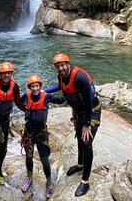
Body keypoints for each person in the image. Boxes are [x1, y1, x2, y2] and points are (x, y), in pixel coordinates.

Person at [46, 53, 101, 197]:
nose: (60, 68)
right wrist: (43, 91)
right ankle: (80, 165)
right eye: (58, 66)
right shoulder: (61, 77)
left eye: (62, 65)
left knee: (86, 143)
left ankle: (85, 181)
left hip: (91, 112)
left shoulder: (80, 77)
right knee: (79, 139)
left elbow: (89, 101)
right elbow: (59, 87)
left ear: (68, 64)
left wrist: (87, 124)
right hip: (79, 112)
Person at [20, 74, 65, 199]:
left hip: (41, 134)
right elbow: (18, 102)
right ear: (29, 87)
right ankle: (29, 178)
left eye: (37, 86)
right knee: (29, 158)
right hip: (28, 133)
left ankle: (49, 183)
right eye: (32, 86)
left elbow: (61, 100)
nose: (34, 88)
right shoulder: (26, 96)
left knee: (44, 160)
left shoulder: (47, 96)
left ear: (40, 86)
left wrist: (67, 90)